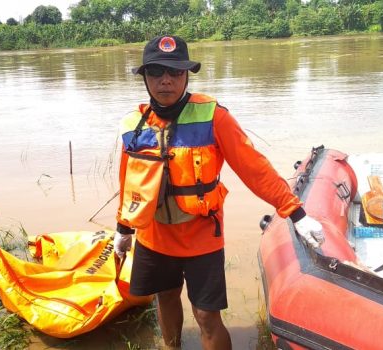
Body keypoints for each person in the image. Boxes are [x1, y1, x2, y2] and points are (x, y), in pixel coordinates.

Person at [112, 35, 324, 350]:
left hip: (201, 239)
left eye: (175, 72)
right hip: (154, 238)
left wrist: (296, 212)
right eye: (156, 72)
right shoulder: (134, 124)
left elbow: (255, 168)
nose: (166, 80)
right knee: (166, 298)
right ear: (145, 77)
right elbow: (129, 181)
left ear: (186, 75)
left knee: (206, 316)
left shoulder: (214, 116)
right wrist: (123, 228)